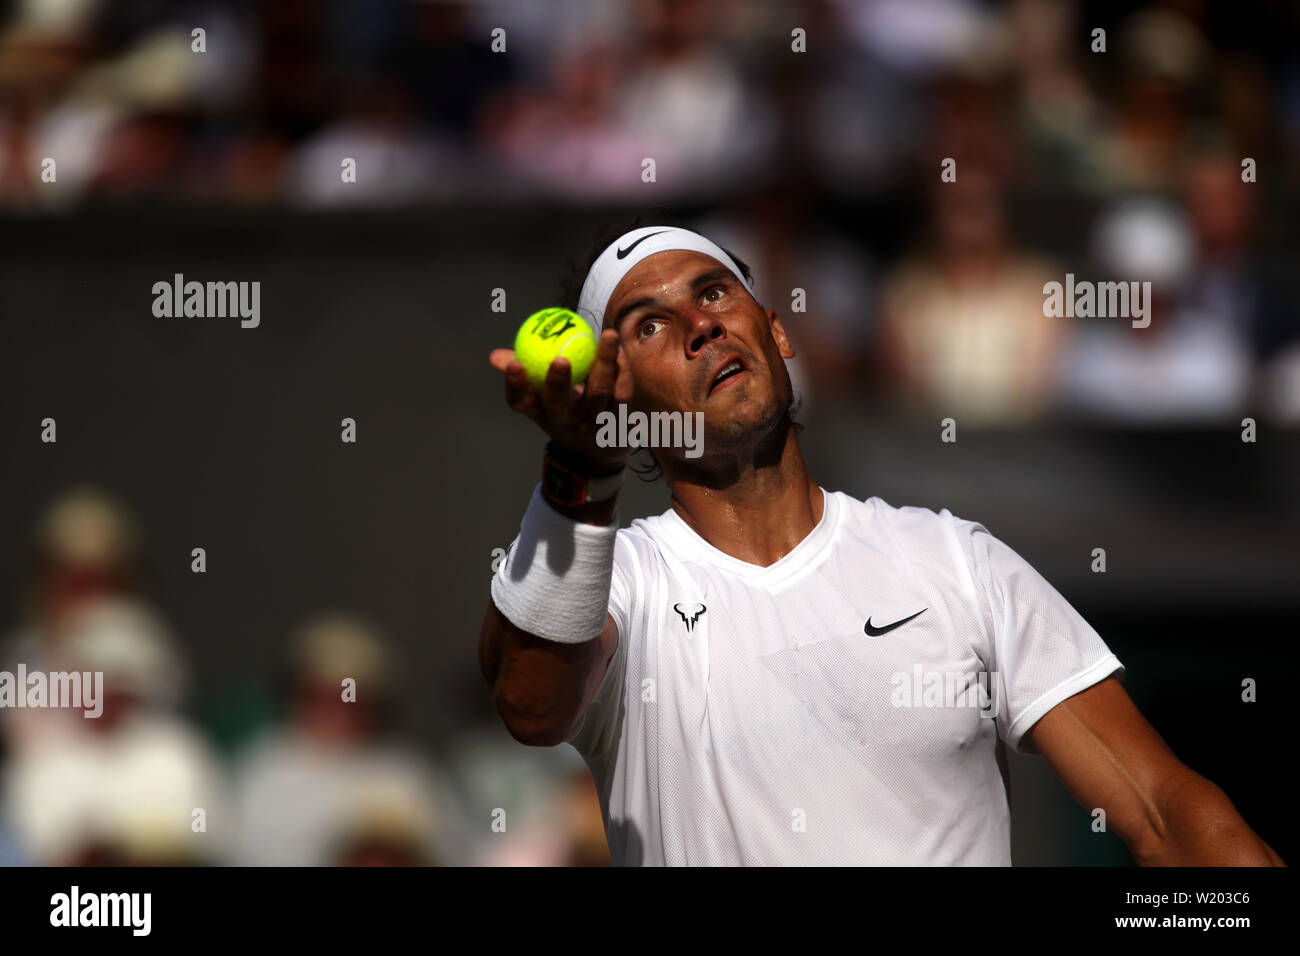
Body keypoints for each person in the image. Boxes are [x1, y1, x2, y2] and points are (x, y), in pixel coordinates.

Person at [480, 221, 1285, 867]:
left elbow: (1162, 811)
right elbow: (530, 703)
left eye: (715, 291)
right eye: (648, 324)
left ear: (775, 332)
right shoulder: (614, 584)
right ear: (621, 388)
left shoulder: (956, 562)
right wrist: (580, 469)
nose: (699, 325)